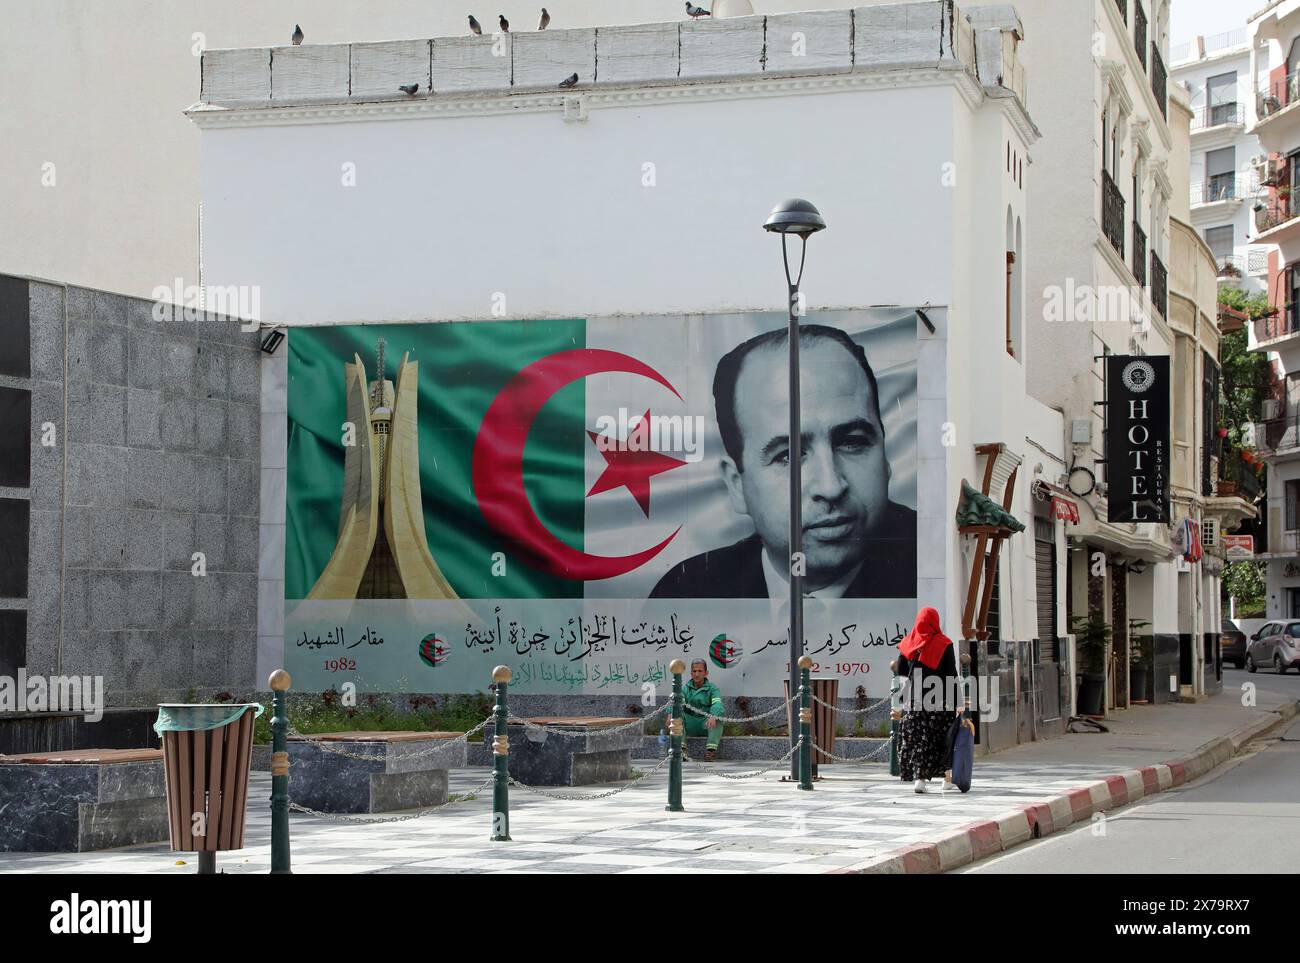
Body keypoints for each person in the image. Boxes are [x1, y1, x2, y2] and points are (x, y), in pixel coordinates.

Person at [651, 324, 915, 599]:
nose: (831, 486)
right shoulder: (685, 595)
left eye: (853, 442)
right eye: (787, 455)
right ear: (737, 485)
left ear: (885, 456)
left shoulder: (931, 566)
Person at [890, 606, 963, 793]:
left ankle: (919, 780)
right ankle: (947, 780)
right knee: (942, 739)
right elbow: (951, 675)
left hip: (913, 701)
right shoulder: (944, 644)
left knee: (918, 741)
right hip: (938, 701)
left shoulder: (908, 643)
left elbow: (901, 672)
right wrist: (958, 702)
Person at [682, 659, 724, 761]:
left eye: (700, 671)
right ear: (691, 673)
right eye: (694, 671)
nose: (697, 674)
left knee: (718, 717)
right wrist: (671, 713)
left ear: (706, 673)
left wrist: (713, 715)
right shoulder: (685, 688)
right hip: (689, 723)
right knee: (677, 717)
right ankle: (681, 750)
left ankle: (710, 752)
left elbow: (717, 703)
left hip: (706, 723)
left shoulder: (712, 689)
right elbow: (677, 703)